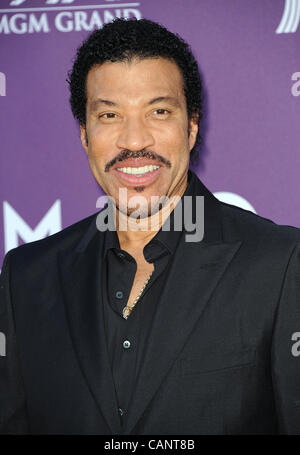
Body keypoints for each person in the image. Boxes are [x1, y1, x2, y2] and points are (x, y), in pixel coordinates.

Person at [1, 18, 300, 435]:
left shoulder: (280, 264)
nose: (134, 140)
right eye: (109, 114)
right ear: (85, 135)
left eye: (159, 111)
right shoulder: (26, 277)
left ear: (191, 127)